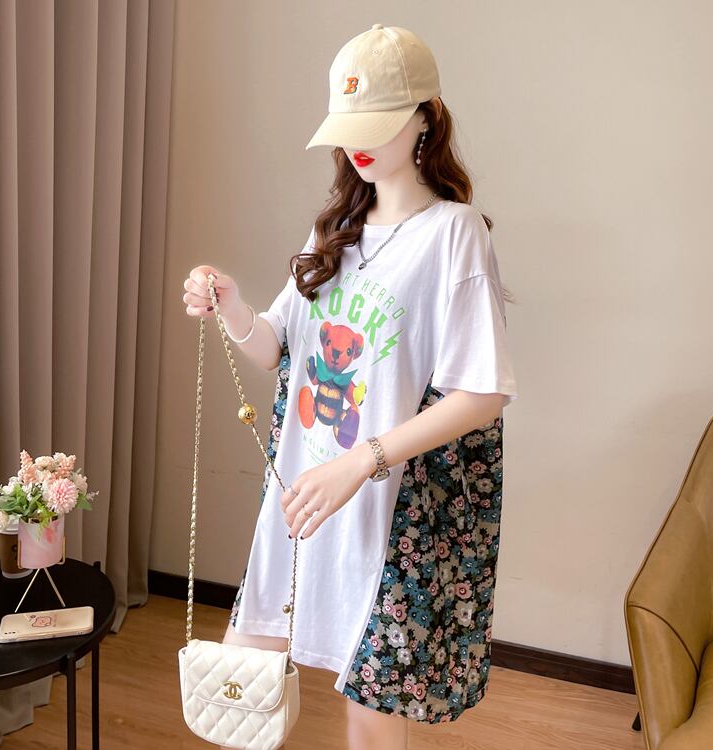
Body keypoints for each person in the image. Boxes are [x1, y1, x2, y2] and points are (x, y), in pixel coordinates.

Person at [182, 23, 518, 750]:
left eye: (377, 124)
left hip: (382, 513)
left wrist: (359, 463)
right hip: (302, 497)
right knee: (240, 700)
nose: (357, 146)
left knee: (369, 728)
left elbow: (482, 394)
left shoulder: (455, 232)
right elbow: (275, 347)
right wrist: (230, 305)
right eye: (349, 128)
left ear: (426, 117)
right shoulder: (334, 229)